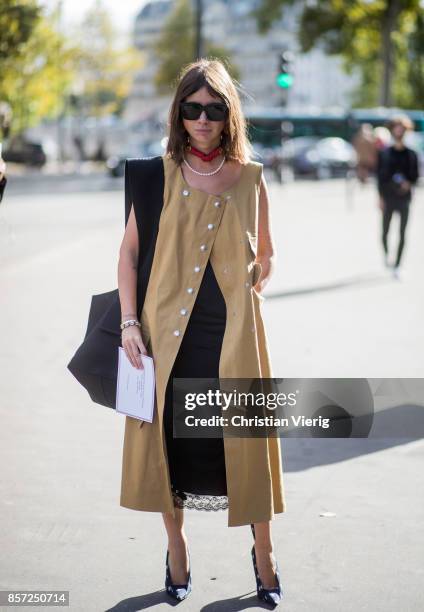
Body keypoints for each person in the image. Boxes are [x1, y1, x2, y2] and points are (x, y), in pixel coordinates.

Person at [117, 58, 285, 607]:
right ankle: (177, 546)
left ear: (229, 114)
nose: (204, 119)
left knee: (244, 442)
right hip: (167, 335)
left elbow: (268, 258)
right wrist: (128, 324)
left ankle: (263, 552)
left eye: (215, 109)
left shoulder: (252, 177)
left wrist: (251, 272)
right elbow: (129, 254)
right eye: (193, 109)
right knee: (171, 446)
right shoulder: (156, 175)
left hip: (233, 333)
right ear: (179, 113)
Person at [377, 115, 419, 277]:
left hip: (404, 198)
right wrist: (380, 197)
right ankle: (387, 256)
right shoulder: (385, 153)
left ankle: (398, 264)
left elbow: (415, 175)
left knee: (402, 232)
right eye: (397, 128)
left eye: (402, 128)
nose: (399, 131)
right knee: (385, 231)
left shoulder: (411, 154)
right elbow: (380, 178)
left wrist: (408, 184)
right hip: (388, 197)